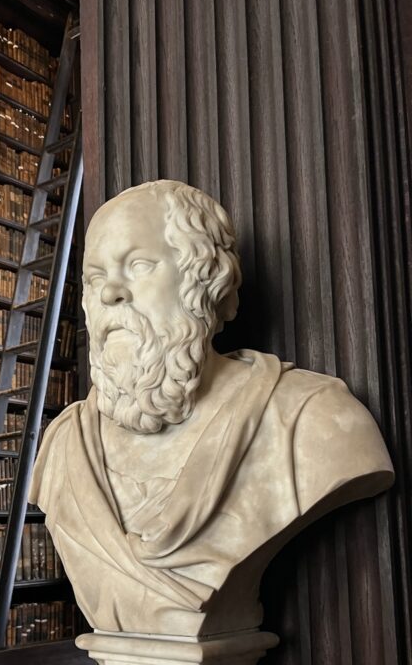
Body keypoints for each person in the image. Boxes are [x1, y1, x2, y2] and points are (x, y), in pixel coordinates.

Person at [29, 180, 394, 637]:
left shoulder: (311, 422)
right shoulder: (66, 445)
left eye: (138, 265)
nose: (110, 295)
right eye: (96, 278)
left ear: (203, 281)